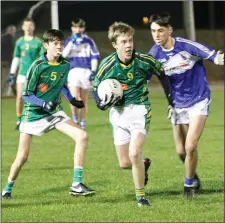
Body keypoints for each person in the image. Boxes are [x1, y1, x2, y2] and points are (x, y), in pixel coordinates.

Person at [1, 29, 95, 200]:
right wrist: (43, 103)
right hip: (33, 115)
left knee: (82, 136)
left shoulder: (65, 64)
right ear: (46, 45)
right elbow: (26, 94)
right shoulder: (37, 66)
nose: (60, 46)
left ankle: (76, 184)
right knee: (22, 157)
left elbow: (61, 86)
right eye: (55, 43)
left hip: (54, 112)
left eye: (61, 43)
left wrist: (72, 100)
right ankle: (7, 187)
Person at [92, 22, 174, 207]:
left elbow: (161, 73)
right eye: (124, 41)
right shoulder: (107, 65)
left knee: (134, 152)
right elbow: (96, 88)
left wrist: (171, 99)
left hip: (140, 110)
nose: (129, 45)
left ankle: (140, 197)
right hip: (118, 115)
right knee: (124, 163)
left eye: (130, 40)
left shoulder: (144, 60)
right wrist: (100, 102)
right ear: (115, 44)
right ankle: (143, 164)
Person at [148, 12, 224, 198]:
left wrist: (219, 58)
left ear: (170, 30)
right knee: (181, 152)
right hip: (177, 105)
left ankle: (189, 185)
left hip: (199, 100)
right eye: (153, 31)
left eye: (160, 30)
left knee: (190, 146)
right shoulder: (154, 54)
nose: (156, 35)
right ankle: (194, 175)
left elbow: (212, 55)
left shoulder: (186, 46)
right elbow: (144, 78)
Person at [62, 18, 101, 129]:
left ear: (83, 28)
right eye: (75, 27)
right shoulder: (69, 40)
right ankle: (75, 117)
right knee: (74, 97)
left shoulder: (89, 41)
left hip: (86, 72)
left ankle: (83, 121)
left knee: (83, 99)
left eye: (80, 27)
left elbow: (94, 57)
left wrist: (93, 71)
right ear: (72, 28)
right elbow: (64, 55)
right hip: (73, 71)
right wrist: (72, 42)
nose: (77, 29)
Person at [9, 18, 44, 130]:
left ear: (33, 27)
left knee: (34, 98)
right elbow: (16, 58)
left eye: (30, 25)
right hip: (22, 75)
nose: (28, 27)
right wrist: (12, 73)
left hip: (34, 75)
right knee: (20, 97)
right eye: (26, 25)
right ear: (23, 27)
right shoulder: (19, 42)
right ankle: (19, 119)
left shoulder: (38, 42)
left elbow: (42, 60)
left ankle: (35, 119)